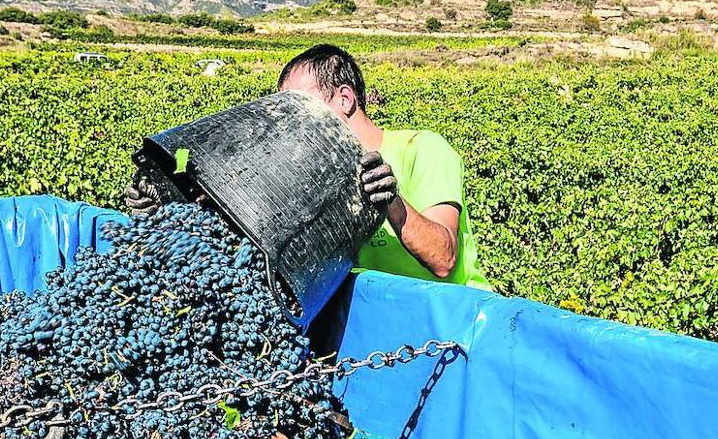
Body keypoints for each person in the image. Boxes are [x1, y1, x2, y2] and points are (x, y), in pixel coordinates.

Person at [127, 44, 489, 289]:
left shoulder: (421, 149)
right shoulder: (313, 173)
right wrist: (168, 209)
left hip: (452, 324)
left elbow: (444, 259)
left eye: (300, 105)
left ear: (344, 99)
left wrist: (391, 201)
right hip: (373, 323)